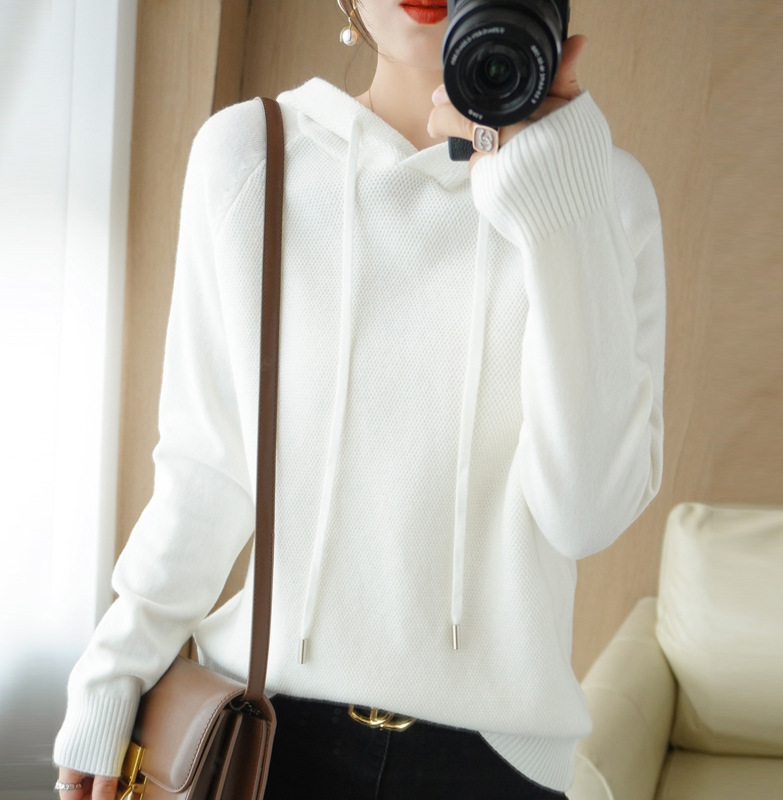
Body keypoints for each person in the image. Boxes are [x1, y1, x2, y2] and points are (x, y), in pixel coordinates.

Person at [53, 1, 665, 797]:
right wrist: (112, 672)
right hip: (263, 742)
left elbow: (585, 514)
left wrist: (556, 208)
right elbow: (208, 469)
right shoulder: (251, 154)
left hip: (494, 764)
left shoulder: (604, 194)